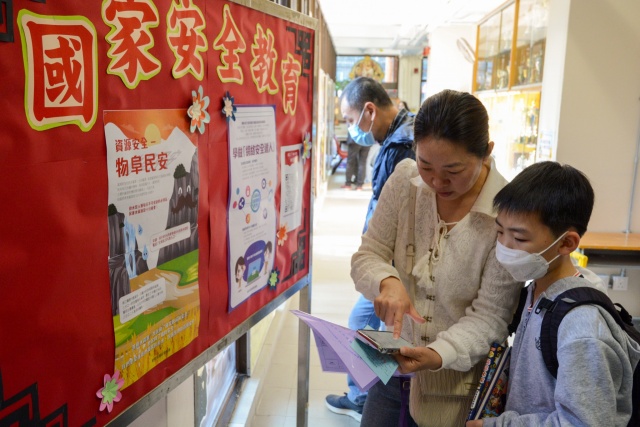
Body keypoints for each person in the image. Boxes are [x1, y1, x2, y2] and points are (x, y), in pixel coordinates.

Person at [351, 89, 522, 426]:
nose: (436, 181)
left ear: (486, 151)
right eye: (426, 165)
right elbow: (368, 253)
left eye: (453, 170)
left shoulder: (506, 212)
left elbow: (491, 316)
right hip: (390, 366)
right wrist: (387, 281)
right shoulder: (405, 181)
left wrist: (436, 355)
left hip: (458, 387)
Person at [467, 161, 640, 426]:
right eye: (500, 231)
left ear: (567, 243)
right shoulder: (535, 290)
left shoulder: (582, 327)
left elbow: (583, 422)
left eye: (519, 239)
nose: (505, 246)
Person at [325, 76, 416, 421]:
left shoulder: (401, 148)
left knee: (362, 324)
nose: (353, 129)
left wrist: (384, 270)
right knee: (368, 326)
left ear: (369, 110)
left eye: (351, 120)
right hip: (387, 262)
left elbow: (396, 216)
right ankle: (366, 394)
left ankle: (364, 396)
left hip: (392, 266)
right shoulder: (400, 136)